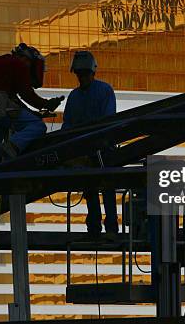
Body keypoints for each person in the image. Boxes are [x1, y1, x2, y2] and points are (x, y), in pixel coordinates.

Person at [0, 43, 62, 171]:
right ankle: (13, 147)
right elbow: (27, 94)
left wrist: (30, 112)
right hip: (0, 108)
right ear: (27, 60)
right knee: (37, 126)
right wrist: (46, 104)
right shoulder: (18, 64)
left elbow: (12, 99)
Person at [62, 51, 118, 239]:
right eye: (80, 75)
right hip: (86, 150)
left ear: (91, 72)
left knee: (105, 188)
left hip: (101, 148)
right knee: (92, 188)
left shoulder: (101, 91)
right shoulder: (77, 96)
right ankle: (97, 227)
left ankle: (107, 227)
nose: (82, 78)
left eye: (84, 74)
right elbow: (67, 126)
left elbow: (107, 120)